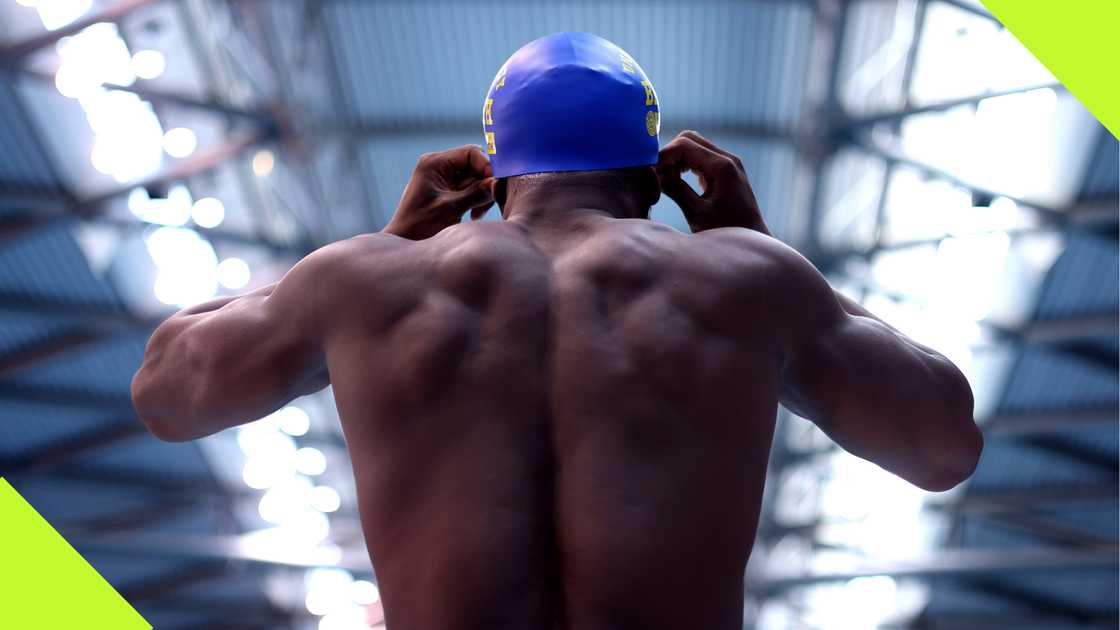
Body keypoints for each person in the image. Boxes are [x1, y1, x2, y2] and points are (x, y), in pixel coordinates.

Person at [133, 33, 981, 630]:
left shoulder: (363, 282)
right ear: (655, 176)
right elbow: (943, 442)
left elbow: (167, 392)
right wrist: (755, 246)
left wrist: (385, 248)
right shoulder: (747, 281)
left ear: (497, 174)